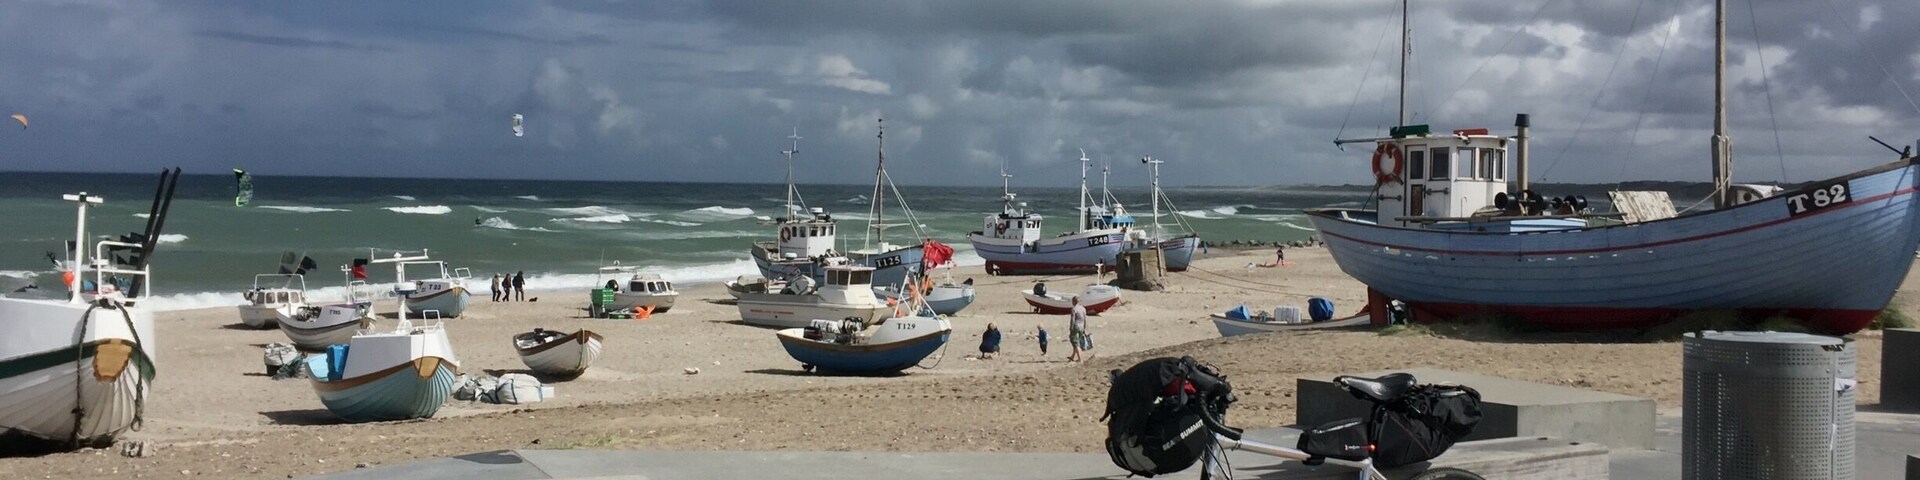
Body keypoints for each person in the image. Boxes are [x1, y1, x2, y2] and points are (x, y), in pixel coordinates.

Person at [1068, 296, 1088, 362]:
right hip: (1081, 327)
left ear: (1074, 301)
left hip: (1076, 327)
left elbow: (1072, 320)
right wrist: (1085, 328)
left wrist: (1071, 328)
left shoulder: (1074, 309)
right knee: (1077, 341)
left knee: (1075, 342)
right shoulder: (1083, 308)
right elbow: (1085, 319)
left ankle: (1080, 359)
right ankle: (1073, 356)